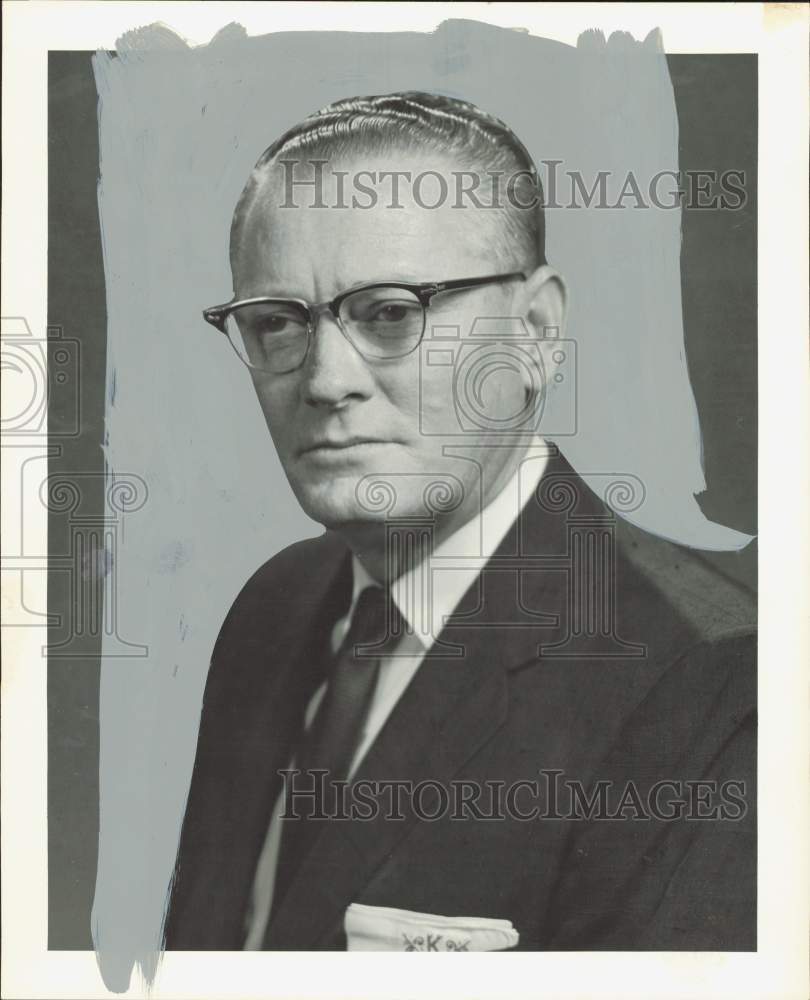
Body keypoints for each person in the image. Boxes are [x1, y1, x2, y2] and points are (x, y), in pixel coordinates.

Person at [163, 92, 755, 952]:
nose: (328, 381)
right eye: (278, 323)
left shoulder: (711, 680)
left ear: (538, 330)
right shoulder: (274, 605)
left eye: (391, 313)